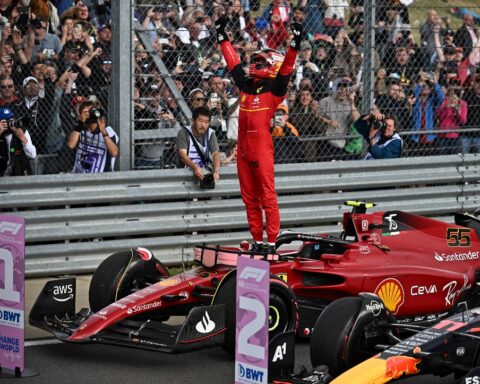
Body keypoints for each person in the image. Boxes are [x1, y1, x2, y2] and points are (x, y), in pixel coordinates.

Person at [215, 15, 303, 252]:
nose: (255, 65)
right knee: (249, 199)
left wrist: (294, 45)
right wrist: (223, 38)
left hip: (262, 150)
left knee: (267, 196)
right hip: (243, 151)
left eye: (261, 62)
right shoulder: (245, 85)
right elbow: (233, 63)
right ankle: (257, 240)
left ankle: (272, 242)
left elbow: (286, 69)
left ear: (271, 65)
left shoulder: (275, 89)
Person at [67, 101, 119, 173]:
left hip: (102, 177)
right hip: (80, 176)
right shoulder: (79, 129)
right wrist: (80, 123)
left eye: (91, 111)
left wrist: (104, 133)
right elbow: (71, 145)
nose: (89, 114)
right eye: (85, 112)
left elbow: (114, 153)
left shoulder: (108, 130)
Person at [176, 106, 221, 186]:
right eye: (200, 121)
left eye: (206, 122)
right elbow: (182, 155)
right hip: (185, 173)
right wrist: (195, 168)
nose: (203, 125)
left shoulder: (210, 133)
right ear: (193, 120)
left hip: (203, 173)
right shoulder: (184, 132)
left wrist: (216, 171)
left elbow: (215, 154)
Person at [0, 107, 36, 176]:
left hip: (19, 172)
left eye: (10, 119)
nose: (9, 123)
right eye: (5, 121)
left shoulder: (21, 131)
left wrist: (23, 139)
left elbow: (32, 155)